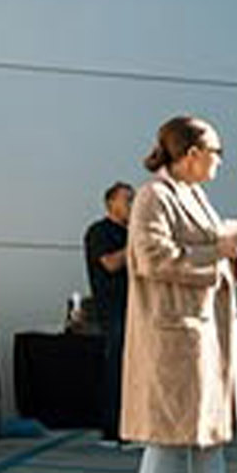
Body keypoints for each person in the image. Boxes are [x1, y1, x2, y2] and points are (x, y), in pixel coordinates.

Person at [121, 116, 237, 473]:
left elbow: (208, 248)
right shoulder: (153, 196)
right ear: (192, 154)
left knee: (209, 422)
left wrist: (233, 245)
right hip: (173, 329)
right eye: (216, 152)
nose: (220, 160)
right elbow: (152, 257)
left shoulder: (193, 194)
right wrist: (218, 248)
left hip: (203, 329)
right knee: (171, 424)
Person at [83, 181, 133, 444]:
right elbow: (111, 263)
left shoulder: (132, 232)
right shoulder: (98, 232)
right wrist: (136, 244)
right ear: (110, 203)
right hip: (113, 309)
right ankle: (112, 430)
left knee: (133, 370)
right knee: (116, 367)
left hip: (137, 309)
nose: (131, 205)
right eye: (126, 200)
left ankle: (132, 427)